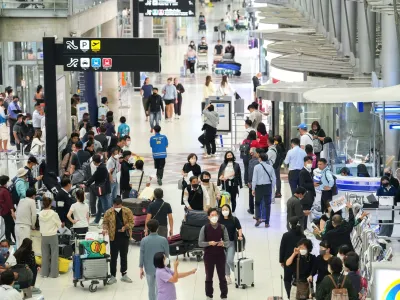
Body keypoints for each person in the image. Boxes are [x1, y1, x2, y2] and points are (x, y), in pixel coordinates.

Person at [199, 208, 230, 300]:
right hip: (209, 256)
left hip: (220, 255)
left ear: (218, 216)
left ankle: (224, 295)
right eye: (212, 215)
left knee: (222, 276)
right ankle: (209, 295)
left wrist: (223, 243)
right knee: (209, 276)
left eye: (215, 215)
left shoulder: (222, 227)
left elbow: (228, 242)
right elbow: (200, 243)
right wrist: (209, 243)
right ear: (208, 217)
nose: (214, 217)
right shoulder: (204, 228)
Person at [102, 197, 134, 285]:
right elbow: (105, 222)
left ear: (121, 204)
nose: (116, 207)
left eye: (118, 205)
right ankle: (113, 276)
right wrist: (105, 229)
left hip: (124, 237)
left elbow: (132, 222)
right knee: (113, 257)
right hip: (113, 237)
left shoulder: (127, 211)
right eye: (114, 205)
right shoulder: (109, 212)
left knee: (124, 256)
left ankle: (124, 274)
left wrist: (125, 227)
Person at [140, 219, 170, 300]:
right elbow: (167, 255)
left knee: (150, 288)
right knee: (159, 289)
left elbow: (141, 255)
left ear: (148, 228)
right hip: (160, 268)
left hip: (148, 268)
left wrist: (141, 269)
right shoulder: (163, 240)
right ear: (158, 228)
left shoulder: (144, 240)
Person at [279, 216, 306, 298]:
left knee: (287, 279)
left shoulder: (286, 235)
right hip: (299, 260)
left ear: (290, 225)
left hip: (288, 260)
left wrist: (281, 260)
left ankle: (289, 295)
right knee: (298, 278)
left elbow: (282, 248)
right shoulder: (303, 236)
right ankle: (298, 295)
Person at [218, 204, 243, 285]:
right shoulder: (219, 221)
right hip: (222, 243)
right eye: (223, 210)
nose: (225, 211)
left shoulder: (234, 219)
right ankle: (227, 276)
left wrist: (240, 235)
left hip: (231, 242)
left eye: (226, 209)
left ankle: (237, 273)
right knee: (225, 261)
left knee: (229, 260)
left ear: (229, 210)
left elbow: (239, 228)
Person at [85, 154, 111, 226]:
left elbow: (94, 177)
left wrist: (86, 184)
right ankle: (96, 221)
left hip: (102, 190)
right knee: (100, 206)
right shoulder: (103, 166)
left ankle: (106, 223)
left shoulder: (100, 168)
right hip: (104, 188)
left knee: (105, 206)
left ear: (94, 161)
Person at [39, 196, 61, 278]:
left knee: (44, 254)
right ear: (50, 204)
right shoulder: (54, 214)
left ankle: (44, 273)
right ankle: (54, 274)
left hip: (44, 235)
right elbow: (59, 225)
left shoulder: (40, 214)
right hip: (52, 235)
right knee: (54, 254)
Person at [252, 152, 276, 227]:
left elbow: (254, 179)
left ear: (260, 159)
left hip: (259, 187)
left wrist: (253, 189)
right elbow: (274, 178)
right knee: (267, 205)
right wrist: (272, 187)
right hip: (267, 187)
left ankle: (258, 218)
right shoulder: (270, 167)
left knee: (257, 203)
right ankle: (267, 222)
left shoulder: (256, 167)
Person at [299, 157, 315, 229]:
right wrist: (312, 185)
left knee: (308, 211)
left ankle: (306, 227)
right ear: (304, 162)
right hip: (306, 195)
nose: (310, 164)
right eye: (308, 162)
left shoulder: (310, 171)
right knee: (305, 212)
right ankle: (303, 228)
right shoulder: (303, 172)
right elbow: (302, 184)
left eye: (311, 162)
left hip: (310, 194)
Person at [0, 176, 16, 244]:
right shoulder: (5, 191)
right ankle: (8, 240)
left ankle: (15, 238)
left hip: (2, 211)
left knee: (11, 224)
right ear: (6, 182)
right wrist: (12, 211)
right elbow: (9, 202)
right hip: (7, 211)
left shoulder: (1, 190)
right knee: (8, 225)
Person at [247, 148, 261, 215]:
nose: (250, 154)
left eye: (251, 152)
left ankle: (252, 209)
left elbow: (250, 172)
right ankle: (259, 210)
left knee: (251, 196)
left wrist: (249, 182)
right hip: (260, 182)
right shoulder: (260, 161)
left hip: (253, 181)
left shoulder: (251, 161)